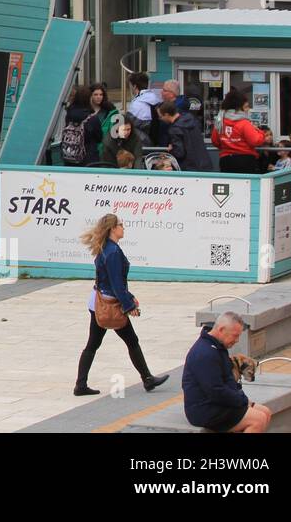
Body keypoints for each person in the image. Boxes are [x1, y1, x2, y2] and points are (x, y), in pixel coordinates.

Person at [74, 214, 168, 396]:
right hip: (109, 306)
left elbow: (111, 281)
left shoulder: (106, 248)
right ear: (112, 229)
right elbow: (116, 284)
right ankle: (147, 379)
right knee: (131, 340)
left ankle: (80, 385)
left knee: (93, 343)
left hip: (98, 302)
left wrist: (129, 297)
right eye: (121, 225)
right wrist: (129, 306)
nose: (123, 228)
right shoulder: (113, 252)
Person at [182, 312, 270, 432]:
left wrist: (242, 400)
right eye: (235, 336)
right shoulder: (205, 353)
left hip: (218, 403)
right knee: (258, 420)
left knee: (265, 412)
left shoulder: (218, 346)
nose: (237, 340)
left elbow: (228, 381)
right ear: (221, 329)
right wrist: (241, 401)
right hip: (204, 409)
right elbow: (215, 391)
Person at [211, 89, 266, 174]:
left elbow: (215, 141)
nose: (248, 110)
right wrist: (261, 133)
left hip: (226, 160)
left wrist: (228, 146)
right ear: (238, 108)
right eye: (246, 107)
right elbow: (255, 141)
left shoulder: (220, 121)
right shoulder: (244, 123)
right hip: (245, 160)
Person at [159, 100, 213, 172]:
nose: (160, 119)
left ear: (166, 115)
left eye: (160, 116)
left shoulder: (175, 129)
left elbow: (179, 153)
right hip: (205, 164)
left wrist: (171, 150)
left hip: (190, 168)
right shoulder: (191, 119)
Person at [81, 82, 114, 167]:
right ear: (90, 95)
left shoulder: (109, 111)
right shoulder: (84, 111)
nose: (99, 97)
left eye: (101, 94)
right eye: (95, 94)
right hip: (88, 150)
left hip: (105, 149)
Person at [60, 85, 94, 167]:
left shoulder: (69, 113)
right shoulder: (91, 117)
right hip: (87, 157)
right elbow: (98, 137)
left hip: (69, 154)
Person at [127, 72, 163, 145]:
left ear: (134, 86)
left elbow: (128, 127)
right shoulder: (157, 99)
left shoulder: (137, 104)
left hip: (142, 146)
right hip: (158, 143)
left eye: (130, 86)